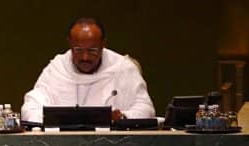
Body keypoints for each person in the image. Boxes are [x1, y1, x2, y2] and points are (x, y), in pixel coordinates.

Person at [20, 17, 155, 124]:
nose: (85, 57)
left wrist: (123, 117)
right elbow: (31, 106)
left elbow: (145, 108)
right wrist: (51, 120)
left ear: (103, 44)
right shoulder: (57, 68)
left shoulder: (122, 68)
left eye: (92, 50)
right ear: (70, 43)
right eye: (78, 50)